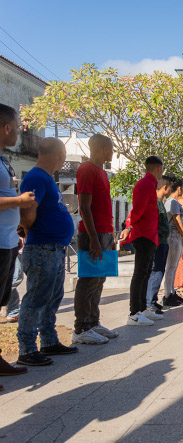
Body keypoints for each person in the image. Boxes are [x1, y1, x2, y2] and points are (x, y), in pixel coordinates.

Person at [16, 137, 77, 365]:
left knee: (52, 297)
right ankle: (27, 348)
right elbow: (28, 212)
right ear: (59, 154)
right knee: (36, 298)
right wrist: (30, 228)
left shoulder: (46, 178)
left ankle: (49, 340)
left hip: (54, 248)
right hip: (42, 247)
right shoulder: (36, 177)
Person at [72, 134, 120, 345]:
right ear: (102, 148)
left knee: (100, 280)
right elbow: (84, 206)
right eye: (110, 149)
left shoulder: (102, 172)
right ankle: (80, 328)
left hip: (104, 233)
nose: (112, 152)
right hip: (92, 234)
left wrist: (110, 235)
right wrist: (93, 238)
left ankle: (93, 322)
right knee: (89, 280)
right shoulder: (86, 170)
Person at [0, 104, 32, 385]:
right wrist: (20, 202)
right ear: (6, 127)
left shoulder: (3, 160)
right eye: (18, 123)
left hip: (8, 240)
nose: (22, 128)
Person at [120, 156, 164, 326]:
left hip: (150, 234)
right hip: (143, 235)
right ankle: (134, 313)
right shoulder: (145, 184)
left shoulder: (150, 184)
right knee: (140, 273)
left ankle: (143, 308)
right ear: (158, 168)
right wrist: (129, 226)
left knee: (145, 273)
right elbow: (137, 210)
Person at [145, 175, 178, 316]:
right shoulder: (155, 202)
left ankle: (153, 301)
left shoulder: (160, 202)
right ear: (165, 187)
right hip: (158, 241)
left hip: (163, 240)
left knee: (160, 271)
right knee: (156, 272)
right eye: (170, 187)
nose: (170, 190)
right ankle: (149, 304)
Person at [163, 178, 183, 307]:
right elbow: (177, 221)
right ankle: (167, 295)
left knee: (173, 267)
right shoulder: (172, 202)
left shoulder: (170, 202)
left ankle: (171, 292)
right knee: (171, 267)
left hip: (174, 237)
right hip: (173, 237)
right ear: (179, 188)